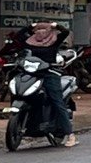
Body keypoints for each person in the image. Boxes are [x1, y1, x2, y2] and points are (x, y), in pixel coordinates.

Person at [15, 17, 80, 146]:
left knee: (57, 102)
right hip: (31, 74)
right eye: (38, 29)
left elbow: (66, 32)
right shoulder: (29, 41)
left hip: (50, 74)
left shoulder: (54, 41)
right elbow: (19, 35)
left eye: (45, 29)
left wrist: (57, 26)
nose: (41, 32)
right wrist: (30, 26)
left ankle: (70, 135)